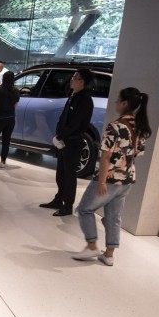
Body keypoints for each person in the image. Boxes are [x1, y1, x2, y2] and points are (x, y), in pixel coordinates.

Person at [72, 87, 153, 267]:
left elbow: (106, 156)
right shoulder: (141, 127)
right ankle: (109, 255)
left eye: (117, 100)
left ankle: (92, 245)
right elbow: (139, 153)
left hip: (109, 178)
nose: (116, 102)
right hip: (128, 178)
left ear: (125, 103)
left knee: (84, 209)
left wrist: (101, 181)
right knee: (114, 217)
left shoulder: (115, 127)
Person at [40, 68, 95, 216]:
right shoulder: (73, 95)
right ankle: (59, 199)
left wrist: (61, 136)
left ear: (82, 82)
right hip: (64, 141)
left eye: (75, 77)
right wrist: (59, 135)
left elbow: (76, 124)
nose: (71, 79)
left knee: (69, 175)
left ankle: (67, 205)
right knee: (61, 173)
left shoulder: (85, 100)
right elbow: (64, 118)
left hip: (73, 142)